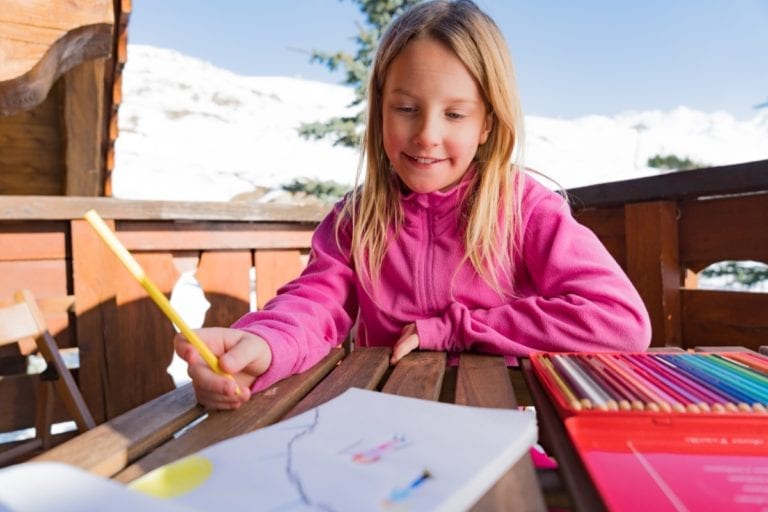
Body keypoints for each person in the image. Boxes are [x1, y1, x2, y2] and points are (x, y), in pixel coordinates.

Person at [175, 0, 651, 410]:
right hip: (382, 430)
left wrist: (458, 328)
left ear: (487, 123)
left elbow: (619, 320)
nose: (426, 135)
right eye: (406, 108)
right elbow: (313, 304)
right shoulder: (354, 221)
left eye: (455, 114)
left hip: (500, 425)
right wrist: (265, 344)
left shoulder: (526, 209)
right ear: (380, 110)